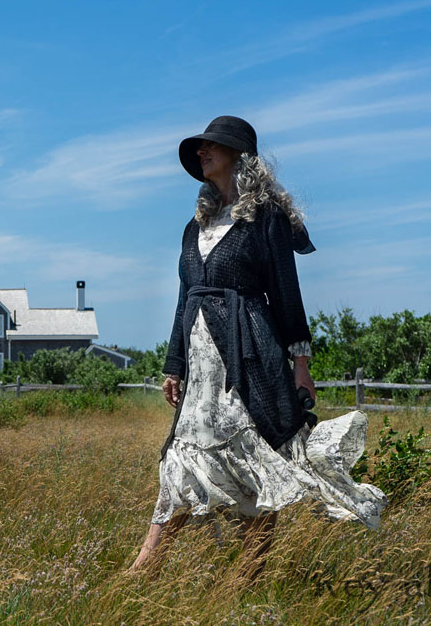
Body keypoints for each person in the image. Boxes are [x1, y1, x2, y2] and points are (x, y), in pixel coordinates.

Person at [126, 116, 387, 580]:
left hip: (250, 357)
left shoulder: (264, 219)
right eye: (200, 148)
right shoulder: (195, 227)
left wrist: (300, 363)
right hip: (201, 362)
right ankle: (145, 566)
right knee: (181, 458)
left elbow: (287, 293)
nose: (202, 153)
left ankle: (249, 576)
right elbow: (185, 298)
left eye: (212, 147)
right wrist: (173, 365)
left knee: (255, 462)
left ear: (238, 156)